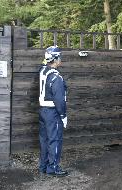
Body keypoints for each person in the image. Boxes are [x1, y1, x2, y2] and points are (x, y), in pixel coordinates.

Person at [38, 45, 68, 176]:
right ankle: (53, 168)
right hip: (53, 112)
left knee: (44, 140)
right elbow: (59, 100)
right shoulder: (56, 77)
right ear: (55, 59)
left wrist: (48, 55)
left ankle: (43, 166)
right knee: (54, 140)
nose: (61, 59)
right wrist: (63, 115)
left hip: (43, 111)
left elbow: (44, 63)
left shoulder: (43, 71)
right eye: (59, 57)